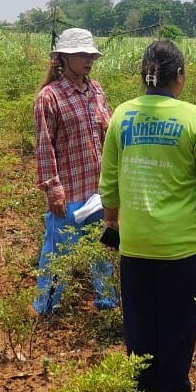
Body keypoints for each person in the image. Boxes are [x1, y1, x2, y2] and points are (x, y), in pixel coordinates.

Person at [100, 40, 196, 392]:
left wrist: (112, 221)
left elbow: (108, 178)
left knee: (140, 321)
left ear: (143, 74)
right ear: (179, 76)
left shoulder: (123, 116)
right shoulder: (193, 120)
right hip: (181, 245)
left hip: (136, 242)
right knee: (177, 322)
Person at [33, 27, 114, 314]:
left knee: (102, 249)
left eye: (91, 55)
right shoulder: (49, 97)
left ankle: (107, 302)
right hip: (68, 192)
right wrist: (53, 189)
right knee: (58, 253)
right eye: (81, 55)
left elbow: (109, 134)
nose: (88, 60)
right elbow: (44, 146)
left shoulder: (97, 91)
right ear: (63, 59)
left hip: (98, 189)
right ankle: (47, 307)